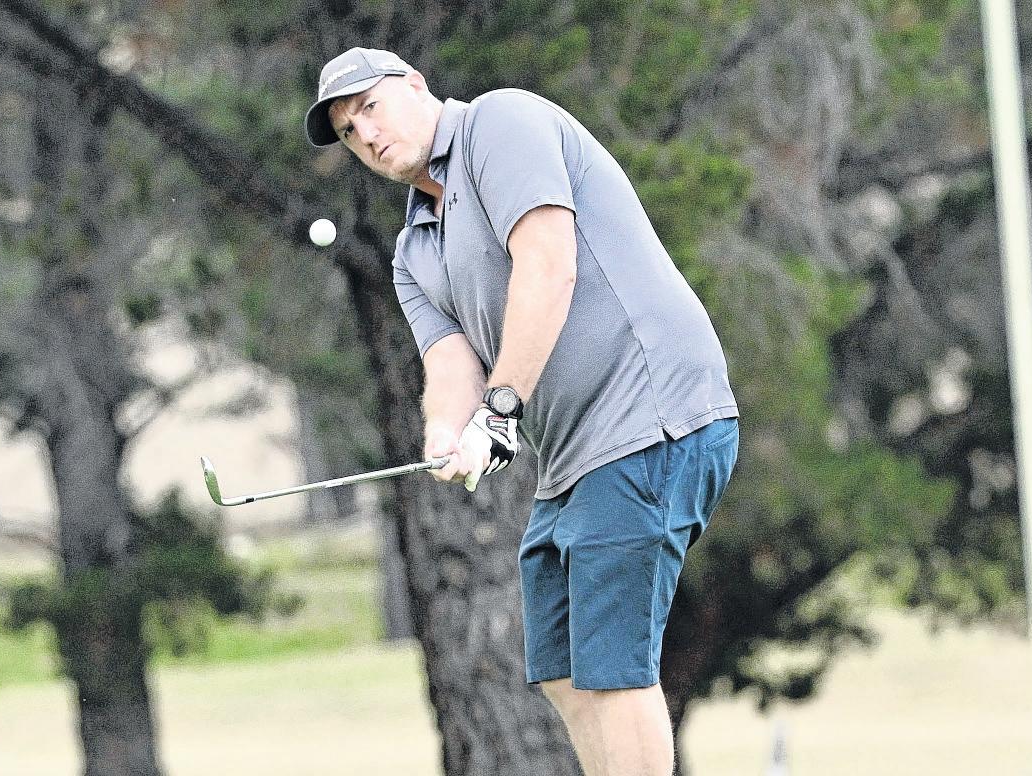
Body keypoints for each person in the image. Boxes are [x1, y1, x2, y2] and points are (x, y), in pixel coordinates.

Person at [305, 47, 739, 776]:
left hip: (651, 418)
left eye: (371, 108)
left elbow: (548, 263)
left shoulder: (500, 124)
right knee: (564, 671)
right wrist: (447, 431)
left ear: (415, 85)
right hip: (573, 460)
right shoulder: (415, 249)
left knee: (613, 668)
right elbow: (450, 362)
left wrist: (500, 411)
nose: (367, 135)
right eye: (349, 132)